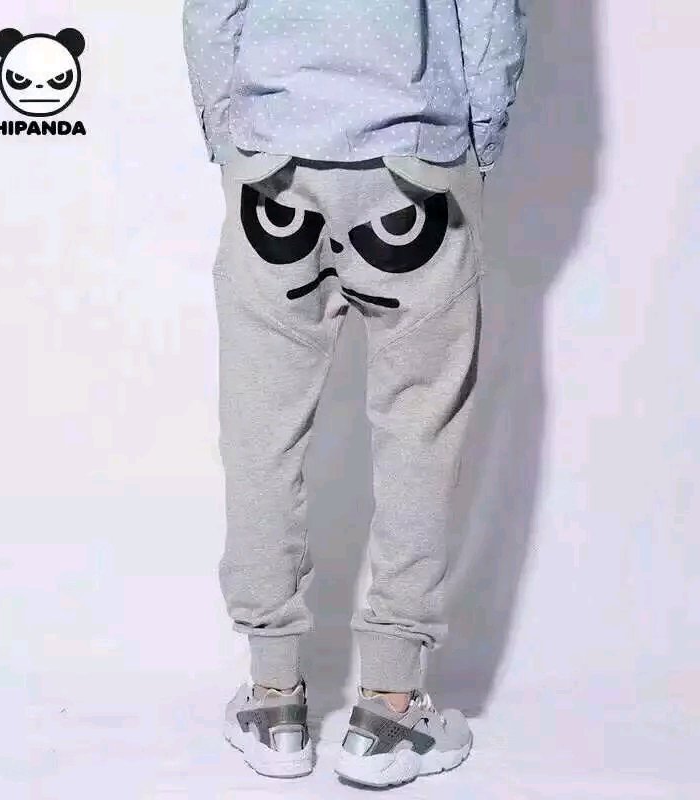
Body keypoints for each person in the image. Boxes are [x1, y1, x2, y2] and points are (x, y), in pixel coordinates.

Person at [182, 0, 527, 788]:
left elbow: (210, 12)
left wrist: (228, 134)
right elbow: (490, 16)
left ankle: (273, 703)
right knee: (419, 431)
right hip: (412, 164)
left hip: (272, 161)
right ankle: (389, 711)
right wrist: (476, 146)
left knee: (261, 430)